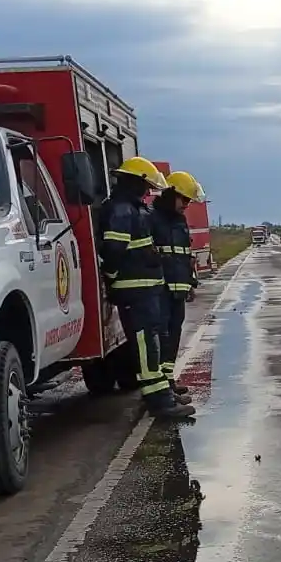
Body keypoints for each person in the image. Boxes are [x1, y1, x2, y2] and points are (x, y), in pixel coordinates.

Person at [98, 157, 194, 420]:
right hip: (136, 290)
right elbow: (114, 251)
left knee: (152, 346)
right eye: (146, 185)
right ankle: (160, 403)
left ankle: (163, 396)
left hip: (147, 289)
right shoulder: (122, 211)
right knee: (146, 348)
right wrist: (111, 276)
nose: (148, 191)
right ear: (135, 182)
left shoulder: (131, 209)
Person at [152, 170, 202, 401]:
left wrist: (190, 283)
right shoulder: (152, 219)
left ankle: (169, 379)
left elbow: (184, 255)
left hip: (178, 291)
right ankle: (161, 385)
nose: (187, 205)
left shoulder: (180, 222)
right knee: (161, 337)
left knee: (174, 335)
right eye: (184, 200)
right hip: (160, 290)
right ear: (171, 195)